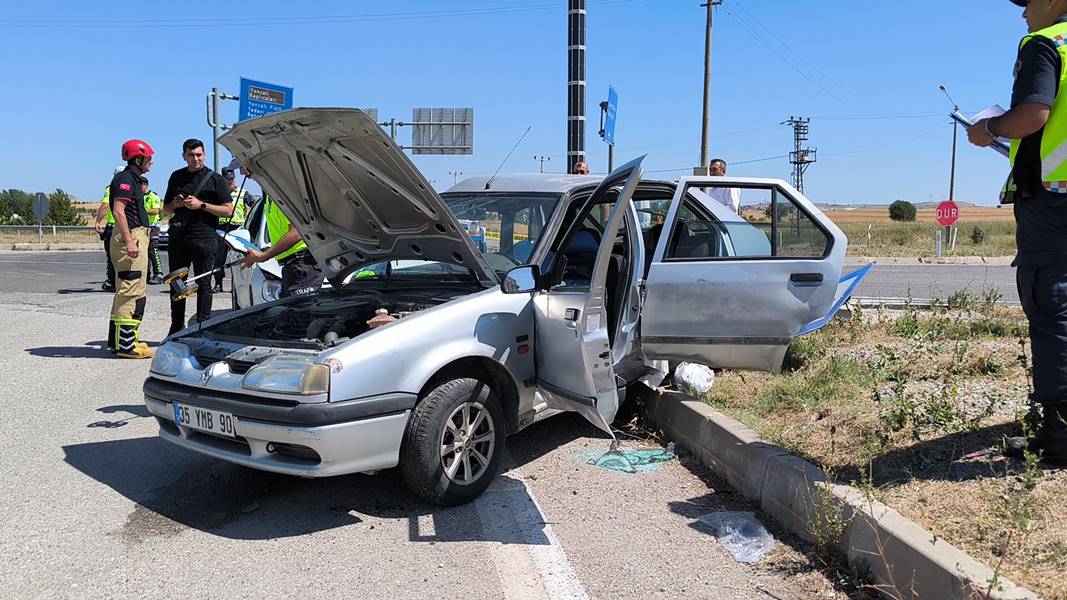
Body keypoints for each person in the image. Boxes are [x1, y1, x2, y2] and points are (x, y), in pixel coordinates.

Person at [967, 0, 1067, 466]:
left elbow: (1032, 116)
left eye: (1027, 3)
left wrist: (989, 129)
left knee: (1052, 306)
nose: (1023, 13)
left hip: (1054, 199)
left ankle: (1060, 436)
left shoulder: (1046, 43)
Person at [162, 139, 233, 335]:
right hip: (179, 238)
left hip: (204, 239)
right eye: (191, 155)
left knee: (204, 284)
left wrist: (201, 205)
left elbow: (228, 211)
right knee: (176, 284)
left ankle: (203, 327)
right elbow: (165, 208)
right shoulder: (176, 177)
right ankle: (176, 327)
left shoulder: (215, 179)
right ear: (184, 156)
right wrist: (176, 204)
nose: (195, 159)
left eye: (199, 155)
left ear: (205, 155)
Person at [239, 166, 323, 298]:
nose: (241, 172)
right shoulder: (269, 195)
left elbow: (297, 233)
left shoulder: (283, 191)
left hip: (303, 265)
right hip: (293, 268)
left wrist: (264, 256)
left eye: (242, 166)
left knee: (299, 316)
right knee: (291, 315)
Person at [107, 139, 155, 358]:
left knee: (128, 291)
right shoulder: (125, 179)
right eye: (148, 158)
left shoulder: (133, 179)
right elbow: (118, 211)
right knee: (131, 291)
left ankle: (121, 342)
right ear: (138, 159)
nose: (151, 162)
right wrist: (128, 241)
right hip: (132, 238)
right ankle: (127, 347)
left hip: (136, 236)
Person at [211, 166, 247, 292]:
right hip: (221, 228)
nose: (230, 181)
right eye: (227, 179)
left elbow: (252, 206)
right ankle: (218, 283)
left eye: (232, 179)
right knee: (218, 259)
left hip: (237, 229)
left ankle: (236, 286)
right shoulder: (217, 193)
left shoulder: (243, 192)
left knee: (237, 259)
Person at [94, 166, 125, 292]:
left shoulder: (112, 188)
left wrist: (98, 221)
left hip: (114, 226)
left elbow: (105, 205)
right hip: (128, 227)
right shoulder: (133, 187)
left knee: (112, 256)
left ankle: (112, 282)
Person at [143, 178, 164, 285]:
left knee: (153, 250)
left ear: (145, 185)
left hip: (153, 228)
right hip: (143, 228)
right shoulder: (139, 197)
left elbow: (156, 210)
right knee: (144, 252)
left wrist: (143, 212)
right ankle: (146, 275)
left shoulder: (153, 196)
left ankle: (159, 274)